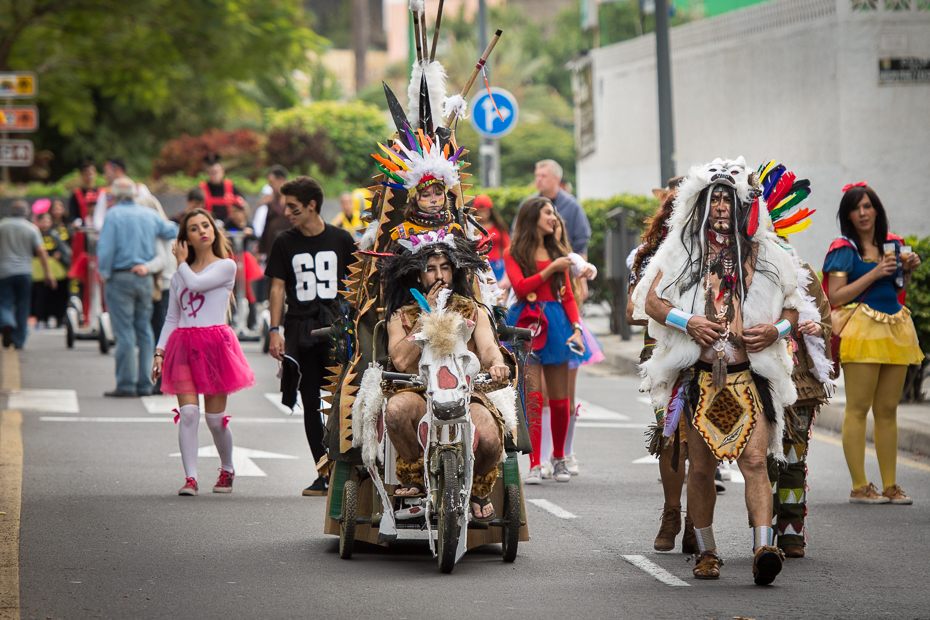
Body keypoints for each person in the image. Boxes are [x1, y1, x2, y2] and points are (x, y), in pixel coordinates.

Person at [632, 157, 803, 585]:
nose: (723, 206)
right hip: (701, 379)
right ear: (703, 204)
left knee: (757, 462)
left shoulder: (764, 252)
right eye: (715, 198)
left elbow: (795, 306)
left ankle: (764, 546)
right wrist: (686, 322)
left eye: (729, 198)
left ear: (741, 205)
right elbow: (651, 303)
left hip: (750, 377)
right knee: (702, 470)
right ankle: (707, 553)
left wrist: (775, 330)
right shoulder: (682, 251)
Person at [379, 234, 512, 520]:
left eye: (445, 267)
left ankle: (478, 487)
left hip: (466, 391)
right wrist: (424, 315)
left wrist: (497, 364)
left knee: (490, 438)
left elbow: (489, 348)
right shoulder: (399, 316)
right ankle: (414, 475)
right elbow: (400, 361)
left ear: (455, 271)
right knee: (396, 411)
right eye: (431, 268)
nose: (440, 275)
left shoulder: (474, 310)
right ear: (418, 275)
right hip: (418, 391)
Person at [823, 182, 923, 504]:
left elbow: (894, 289)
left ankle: (891, 485)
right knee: (857, 409)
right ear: (848, 215)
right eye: (856, 208)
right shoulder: (843, 248)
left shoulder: (894, 244)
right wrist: (875, 271)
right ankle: (859, 486)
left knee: (888, 410)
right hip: (862, 330)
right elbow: (836, 297)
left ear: (877, 210)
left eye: (868, 206)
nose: (863, 212)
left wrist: (905, 272)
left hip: (895, 327)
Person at [152, 208, 256, 496]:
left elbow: (196, 284)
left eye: (206, 225)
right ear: (186, 239)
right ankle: (191, 478)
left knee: (214, 420)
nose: (202, 231)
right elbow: (172, 318)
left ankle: (227, 468)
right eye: (194, 229)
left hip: (214, 346)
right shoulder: (177, 277)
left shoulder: (226, 266)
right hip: (182, 346)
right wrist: (159, 352)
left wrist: (181, 263)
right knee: (187, 414)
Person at [266, 176, 356, 496]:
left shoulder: (342, 239)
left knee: (342, 399)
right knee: (310, 400)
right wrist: (274, 330)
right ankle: (323, 472)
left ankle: (345, 470)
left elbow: (357, 284)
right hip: (300, 327)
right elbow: (277, 288)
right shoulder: (284, 242)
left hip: (335, 328)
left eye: (293, 207)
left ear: (311, 205)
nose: (287, 212)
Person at [624, 184, 699, 553]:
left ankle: (696, 523)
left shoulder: (711, 253)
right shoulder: (648, 257)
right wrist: (676, 316)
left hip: (706, 354)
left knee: (703, 440)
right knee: (672, 438)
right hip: (663, 358)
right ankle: (672, 514)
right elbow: (631, 312)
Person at [504, 196, 589, 485]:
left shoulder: (559, 251)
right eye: (548, 213)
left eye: (554, 213)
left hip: (557, 326)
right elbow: (520, 287)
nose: (554, 218)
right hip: (525, 324)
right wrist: (551, 268)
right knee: (533, 398)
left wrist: (576, 327)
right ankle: (536, 463)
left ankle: (559, 458)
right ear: (533, 217)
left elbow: (567, 295)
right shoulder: (513, 252)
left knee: (561, 400)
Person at [96, 178, 178, 397]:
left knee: (124, 333)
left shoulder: (113, 215)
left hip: (120, 277)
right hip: (144, 279)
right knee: (145, 331)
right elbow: (171, 231)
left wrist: (104, 273)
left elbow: (105, 248)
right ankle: (145, 383)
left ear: (112, 196)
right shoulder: (150, 215)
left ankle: (125, 384)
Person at [1, 201, 55, 349]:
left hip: (4, 271)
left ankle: (6, 322)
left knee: (4, 301)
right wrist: (48, 273)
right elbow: (41, 252)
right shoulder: (31, 228)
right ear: (26, 213)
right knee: (23, 305)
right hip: (24, 272)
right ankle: (19, 340)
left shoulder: (2, 226)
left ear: (11, 212)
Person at [31, 211, 71, 328]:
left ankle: (59, 318)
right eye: (43, 221)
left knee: (58, 295)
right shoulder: (35, 235)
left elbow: (65, 251)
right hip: (38, 272)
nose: (46, 224)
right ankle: (41, 318)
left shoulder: (55, 235)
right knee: (40, 296)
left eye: (48, 221)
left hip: (57, 272)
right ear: (38, 222)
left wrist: (61, 256)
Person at [92, 158, 156, 230]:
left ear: (118, 170)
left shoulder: (140, 189)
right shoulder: (106, 194)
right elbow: (98, 218)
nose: (105, 175)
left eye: (107, 172)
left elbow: (150, 213)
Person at [199, 154, 247, 228]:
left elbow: (243, 205)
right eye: (211, 172)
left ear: (222, 171)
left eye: (216, 172)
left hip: (229, 227)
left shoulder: (231, 187)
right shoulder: (202, 189)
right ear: (207, 173)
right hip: (209, 227)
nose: (214, 175)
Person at [472, 194, 510, 283]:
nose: (483, 215)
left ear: (490, 211)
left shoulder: (498, 226)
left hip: (498, 266)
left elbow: (507, 247)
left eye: (486, 211)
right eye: (480, 212)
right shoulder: (471, 228)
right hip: (480, 266)